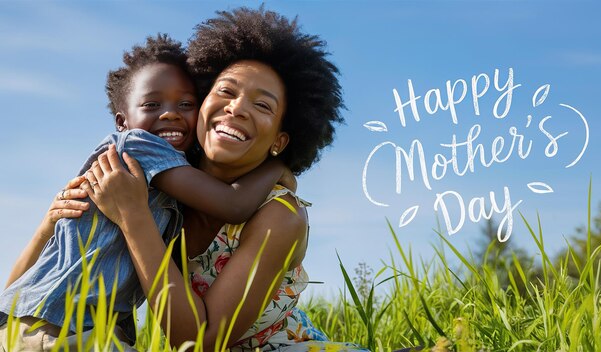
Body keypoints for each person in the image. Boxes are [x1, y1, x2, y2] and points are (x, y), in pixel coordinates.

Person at [83, 7, 367, 351]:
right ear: (201, 104)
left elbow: (204, 342)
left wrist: (133, 217)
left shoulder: (280, 215)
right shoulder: (158, 186)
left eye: (263, 106)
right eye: (226, 92)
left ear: (280, 141)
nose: (237, 108)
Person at [0, 34, 288, 351]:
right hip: (57, 328)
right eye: (152, 104)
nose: (170, 113)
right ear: (122, 122)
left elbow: (13, 291)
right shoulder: (136, 146)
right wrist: (278, 169)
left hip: (64, 328)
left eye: (186, 104)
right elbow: (233, 205)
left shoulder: (172, 189)